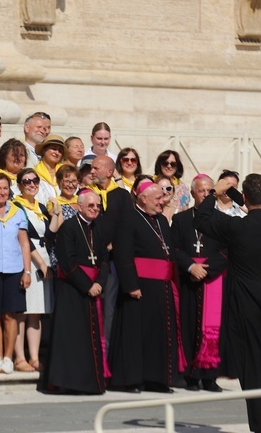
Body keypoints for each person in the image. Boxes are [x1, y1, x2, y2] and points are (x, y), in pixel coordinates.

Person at [195, 174, 261, 433]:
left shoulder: (236, 228)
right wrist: (238, 196)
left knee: (253, 370)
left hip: (247, 311)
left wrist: (214, 193)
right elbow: (254, 209)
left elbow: (202, 219)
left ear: (246, 197)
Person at [110, 181, 184, 393]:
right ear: (143, 198)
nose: (162, 201)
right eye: (157, 198)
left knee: (159, 335)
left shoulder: (161, 220)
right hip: (139, 286)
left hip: (162, 287)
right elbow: (123, 254)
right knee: (136, 334)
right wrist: (131, 284)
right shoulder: (128, 219)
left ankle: (156, 379)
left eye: (162, 198)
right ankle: (130, 380)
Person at [45, 190, 110, 394]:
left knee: (89, 338)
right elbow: (67, 262)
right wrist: (87, 286)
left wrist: (99, 282)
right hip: (72, 290)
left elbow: (105, 260)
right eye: (91, 206)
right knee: (71, 337)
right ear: (79, 206)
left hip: (93, 288)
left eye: (98, 206)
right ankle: (69, 383)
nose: (95, 209)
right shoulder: (69, 228)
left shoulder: (99, 227)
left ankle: (90, 382)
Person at [171, 174, 228, 393]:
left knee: (211, 330)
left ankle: (210, 376)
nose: (205, 194)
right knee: (189, 326)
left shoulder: (221, 220)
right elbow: (175, 248)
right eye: (202, 191)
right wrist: (190, 267)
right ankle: (191, 376)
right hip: (189, 281)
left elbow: (226, 251)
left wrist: (206, 269)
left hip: (212, 279)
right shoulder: (181, 219)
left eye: (209, 191)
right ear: (193, 193)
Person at [0, 173, 33, 374]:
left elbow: (24, 243)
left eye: (5, 188)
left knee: (11, 315)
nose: (2, 192)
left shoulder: (18, 212)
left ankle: (9, 358)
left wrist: (27, 271)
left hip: (14, 269)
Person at [13, 168, 60, 372]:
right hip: (28, 258)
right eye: (26, 181)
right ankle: (19, 357)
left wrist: (57, 210)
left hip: (43, 255)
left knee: (36, 312)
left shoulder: (40, 207)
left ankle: (34, 357)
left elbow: (50, 233)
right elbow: (24, 237)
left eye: (35, 180)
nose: (31, 184)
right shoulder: (16, 206)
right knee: (22, 312)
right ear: (19, 185)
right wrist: (40, 264)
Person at [89, 155, 133, 349]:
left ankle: (107, 348)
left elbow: (127, 226)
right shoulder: (88, 194)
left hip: (114, 261)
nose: (92, 171)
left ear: (109, 172)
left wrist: (115, 244)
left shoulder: (122, 196)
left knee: (110, 307)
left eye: (96, 168)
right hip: (92, 259)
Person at [154, 149, 191, 213]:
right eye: (165, 163)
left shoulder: (184, 188)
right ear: (159, 165)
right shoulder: (152, 184)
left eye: (173, 164)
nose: (169, 166)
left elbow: (186, 210)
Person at [33, 134, 64, 204]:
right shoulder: (34, 173)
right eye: (54, 149)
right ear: (44, 150)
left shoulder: (65, 172)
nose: (57, 153)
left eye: (60, 151)